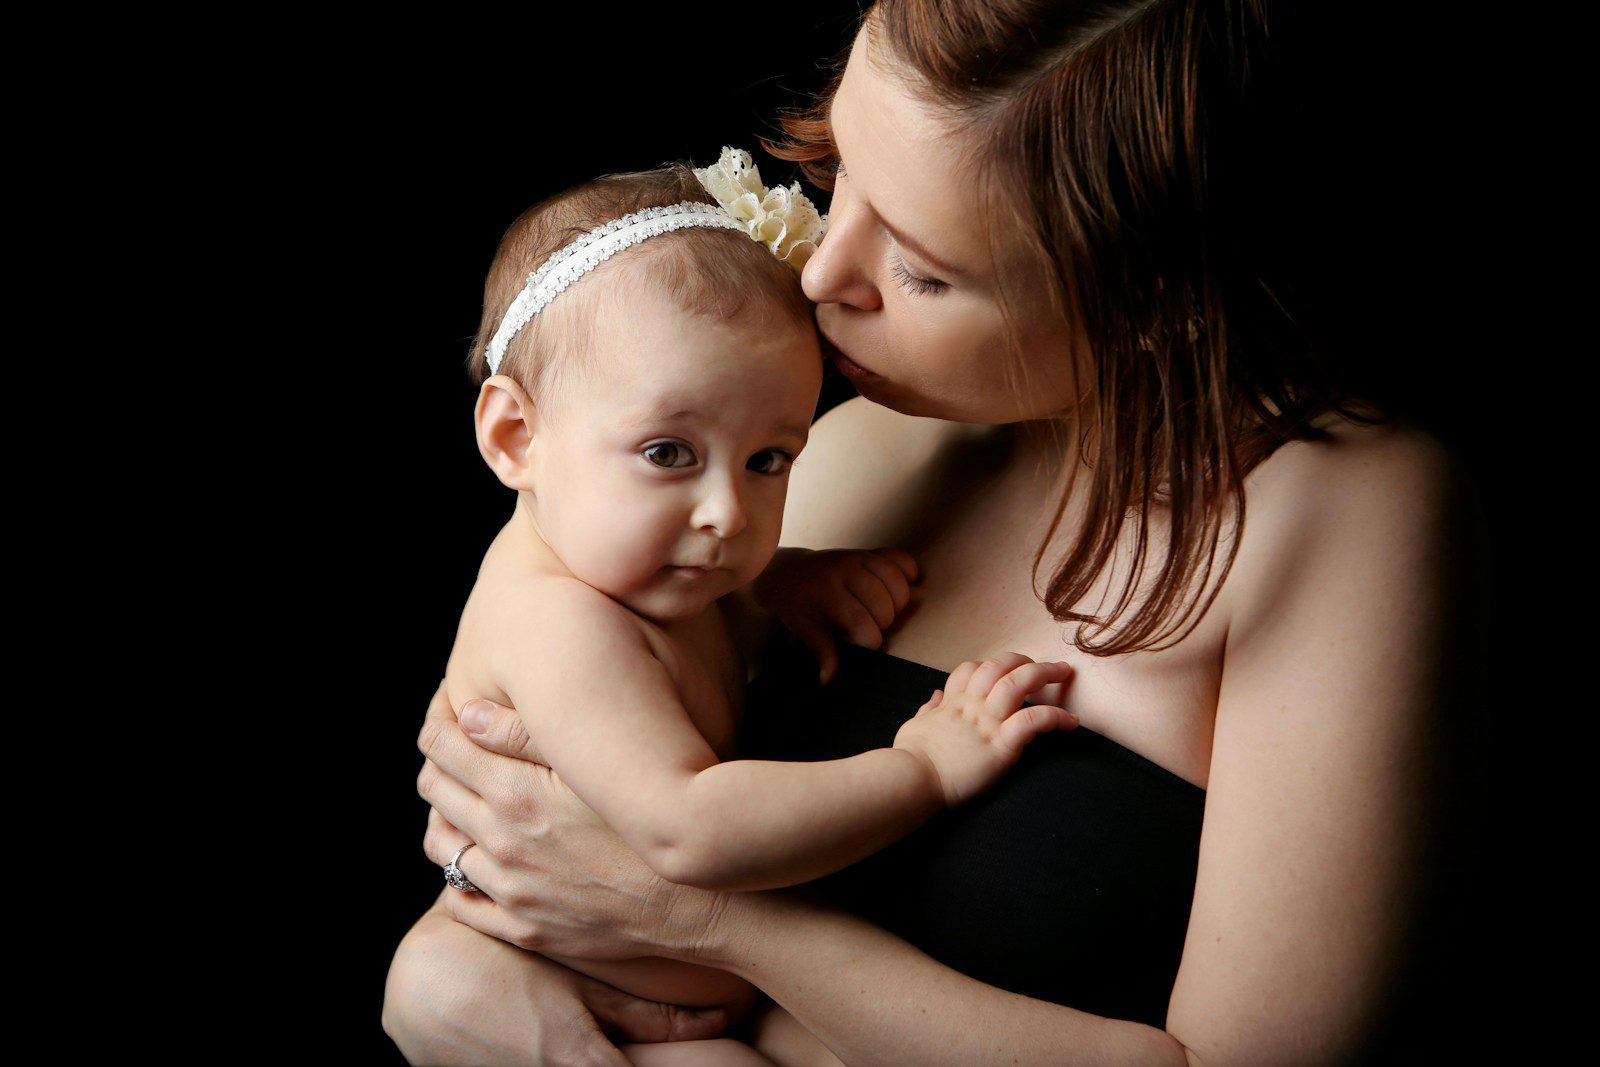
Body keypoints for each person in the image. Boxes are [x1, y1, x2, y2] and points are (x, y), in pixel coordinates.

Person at [384, 1, 1485, 1063]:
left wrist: (720, 927)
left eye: (920, 268)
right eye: (842, 172)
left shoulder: (1340, 513)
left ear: (1156, 299)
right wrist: (446, 983)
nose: (819, 275)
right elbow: (532, 839)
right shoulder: (831, 442)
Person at [437, 149, 1078, 1066]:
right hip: (585, 1002)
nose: (729, 514)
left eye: (769, 459)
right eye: (667, 452)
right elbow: (691, 824)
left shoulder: (634, 572)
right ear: (516, 437)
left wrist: (777, 585)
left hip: (692, 1000)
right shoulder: (556, 622)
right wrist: (924, 770)